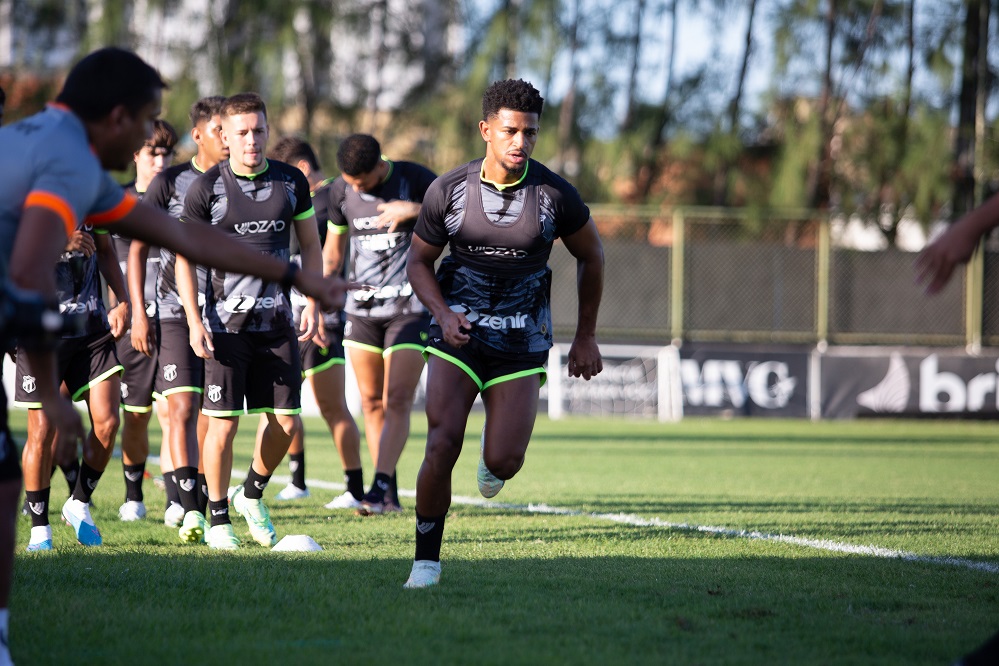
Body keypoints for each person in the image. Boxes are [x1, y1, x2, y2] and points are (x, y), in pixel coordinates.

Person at [5, 48, 346, 554]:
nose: (153, 139)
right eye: (145, 122)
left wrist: (293, 275)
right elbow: (25, 273)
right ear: (117, 117)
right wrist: (52, 394)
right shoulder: (47, 163)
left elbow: (179, 238)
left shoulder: (78, 164)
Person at [402, 79, 605, 588]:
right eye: (511, 131)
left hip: (521, 340)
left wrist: (586, 336)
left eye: (530, 133)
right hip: (458, 335)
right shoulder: (447, 189)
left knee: (504, 460)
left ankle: (494, 464)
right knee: (441, 443)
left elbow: (592, 255)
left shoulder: (556, 193)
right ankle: (426, 561)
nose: (521, 142)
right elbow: (419, 261)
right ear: (486, 130)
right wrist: (443, 314)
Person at [182, 93, 325, 550]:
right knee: (222, 424)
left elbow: (312, 247)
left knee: (286, 422)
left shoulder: (291, 182)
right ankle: (219, 519)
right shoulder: (206, 188)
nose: (252, 140)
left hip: (278, 324)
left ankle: (251, 494)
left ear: (268, 129)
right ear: (223, 135)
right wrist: (192, 319)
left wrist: (315, 301)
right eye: (241, 132)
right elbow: (184, 258)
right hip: (224, 326)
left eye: (259, 130)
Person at [15, 163, 132, 552]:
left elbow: (107, 253)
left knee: (107, 421)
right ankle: (39, 531)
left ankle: (78, 502)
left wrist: (124, 301)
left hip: (92, 330)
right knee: (42, 432)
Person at [130, 95, 230, 541]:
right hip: (172, 311)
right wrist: (135, 310)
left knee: (214, 414)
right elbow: (136, 249)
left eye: (235, 132)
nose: (229, 141)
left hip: (227, 315)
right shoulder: (169, 182)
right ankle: (189, 508)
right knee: (182, 407)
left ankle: (202, 493)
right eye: (220, 132)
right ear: (199, 135)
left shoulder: (242, 184)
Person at [325, 134, 437, 515]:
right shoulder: (339, 191)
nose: (356, 188)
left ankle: (380, 485)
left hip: (410, 306)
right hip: (361, 311)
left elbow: (455, 216)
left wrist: (414, 211)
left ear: (379, 166)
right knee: (371, 401)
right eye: (350, 182)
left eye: (363, 181)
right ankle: (385, 494)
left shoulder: (414, 178)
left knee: (398, 398)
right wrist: (318, 298)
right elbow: (332, 252)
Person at [265, 136, 363, 508]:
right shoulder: (298, 202)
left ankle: (354, 489)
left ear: (301, 169)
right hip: (288, 315)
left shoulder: (326, 201)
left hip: (321, 319)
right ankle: (297, 480)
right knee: (282, 404)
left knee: (331, 405)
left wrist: (318, 307)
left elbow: (327, 262)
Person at [111, 118, 179, 522]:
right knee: (136, 415)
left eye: (166, 153)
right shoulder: (116, 200)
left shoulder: (181, 200)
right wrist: (120, 303)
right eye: (152, 152)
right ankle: (133, 494)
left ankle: (174, 501)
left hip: (171, 317)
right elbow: (101, 257)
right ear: (135, 154)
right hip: (131, 324)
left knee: (175, 411)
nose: (160, 160)